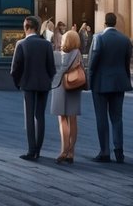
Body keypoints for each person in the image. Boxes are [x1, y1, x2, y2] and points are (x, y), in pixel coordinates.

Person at [87, 11, 132, 163]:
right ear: (115, 23)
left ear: (104, 23)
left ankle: (104, 152)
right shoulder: (125, 40)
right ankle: (119, 151)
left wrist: (89, 81)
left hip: (100, 83)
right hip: (119, 83)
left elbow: (92, 63)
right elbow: (127, 64)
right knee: (117, 118)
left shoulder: (98, 37)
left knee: (102, 118)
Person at [9, 15, 55, 161]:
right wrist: (47, 80)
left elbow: (15, 68)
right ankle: (38, 150)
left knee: (29, 117)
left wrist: (18, 83)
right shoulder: (46, 44)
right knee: (40, 116)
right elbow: (52, 68)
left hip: (28, 84)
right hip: (44, 84)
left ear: (27, 27)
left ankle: (31, 150)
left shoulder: (21, 44)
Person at [50, 29, 84, 164]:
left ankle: (63, 150)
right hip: (74, 86)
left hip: (58, 87)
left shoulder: (56, 55)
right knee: (73, 119)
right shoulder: (77, 53)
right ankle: (71, 152)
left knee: (62, 119)